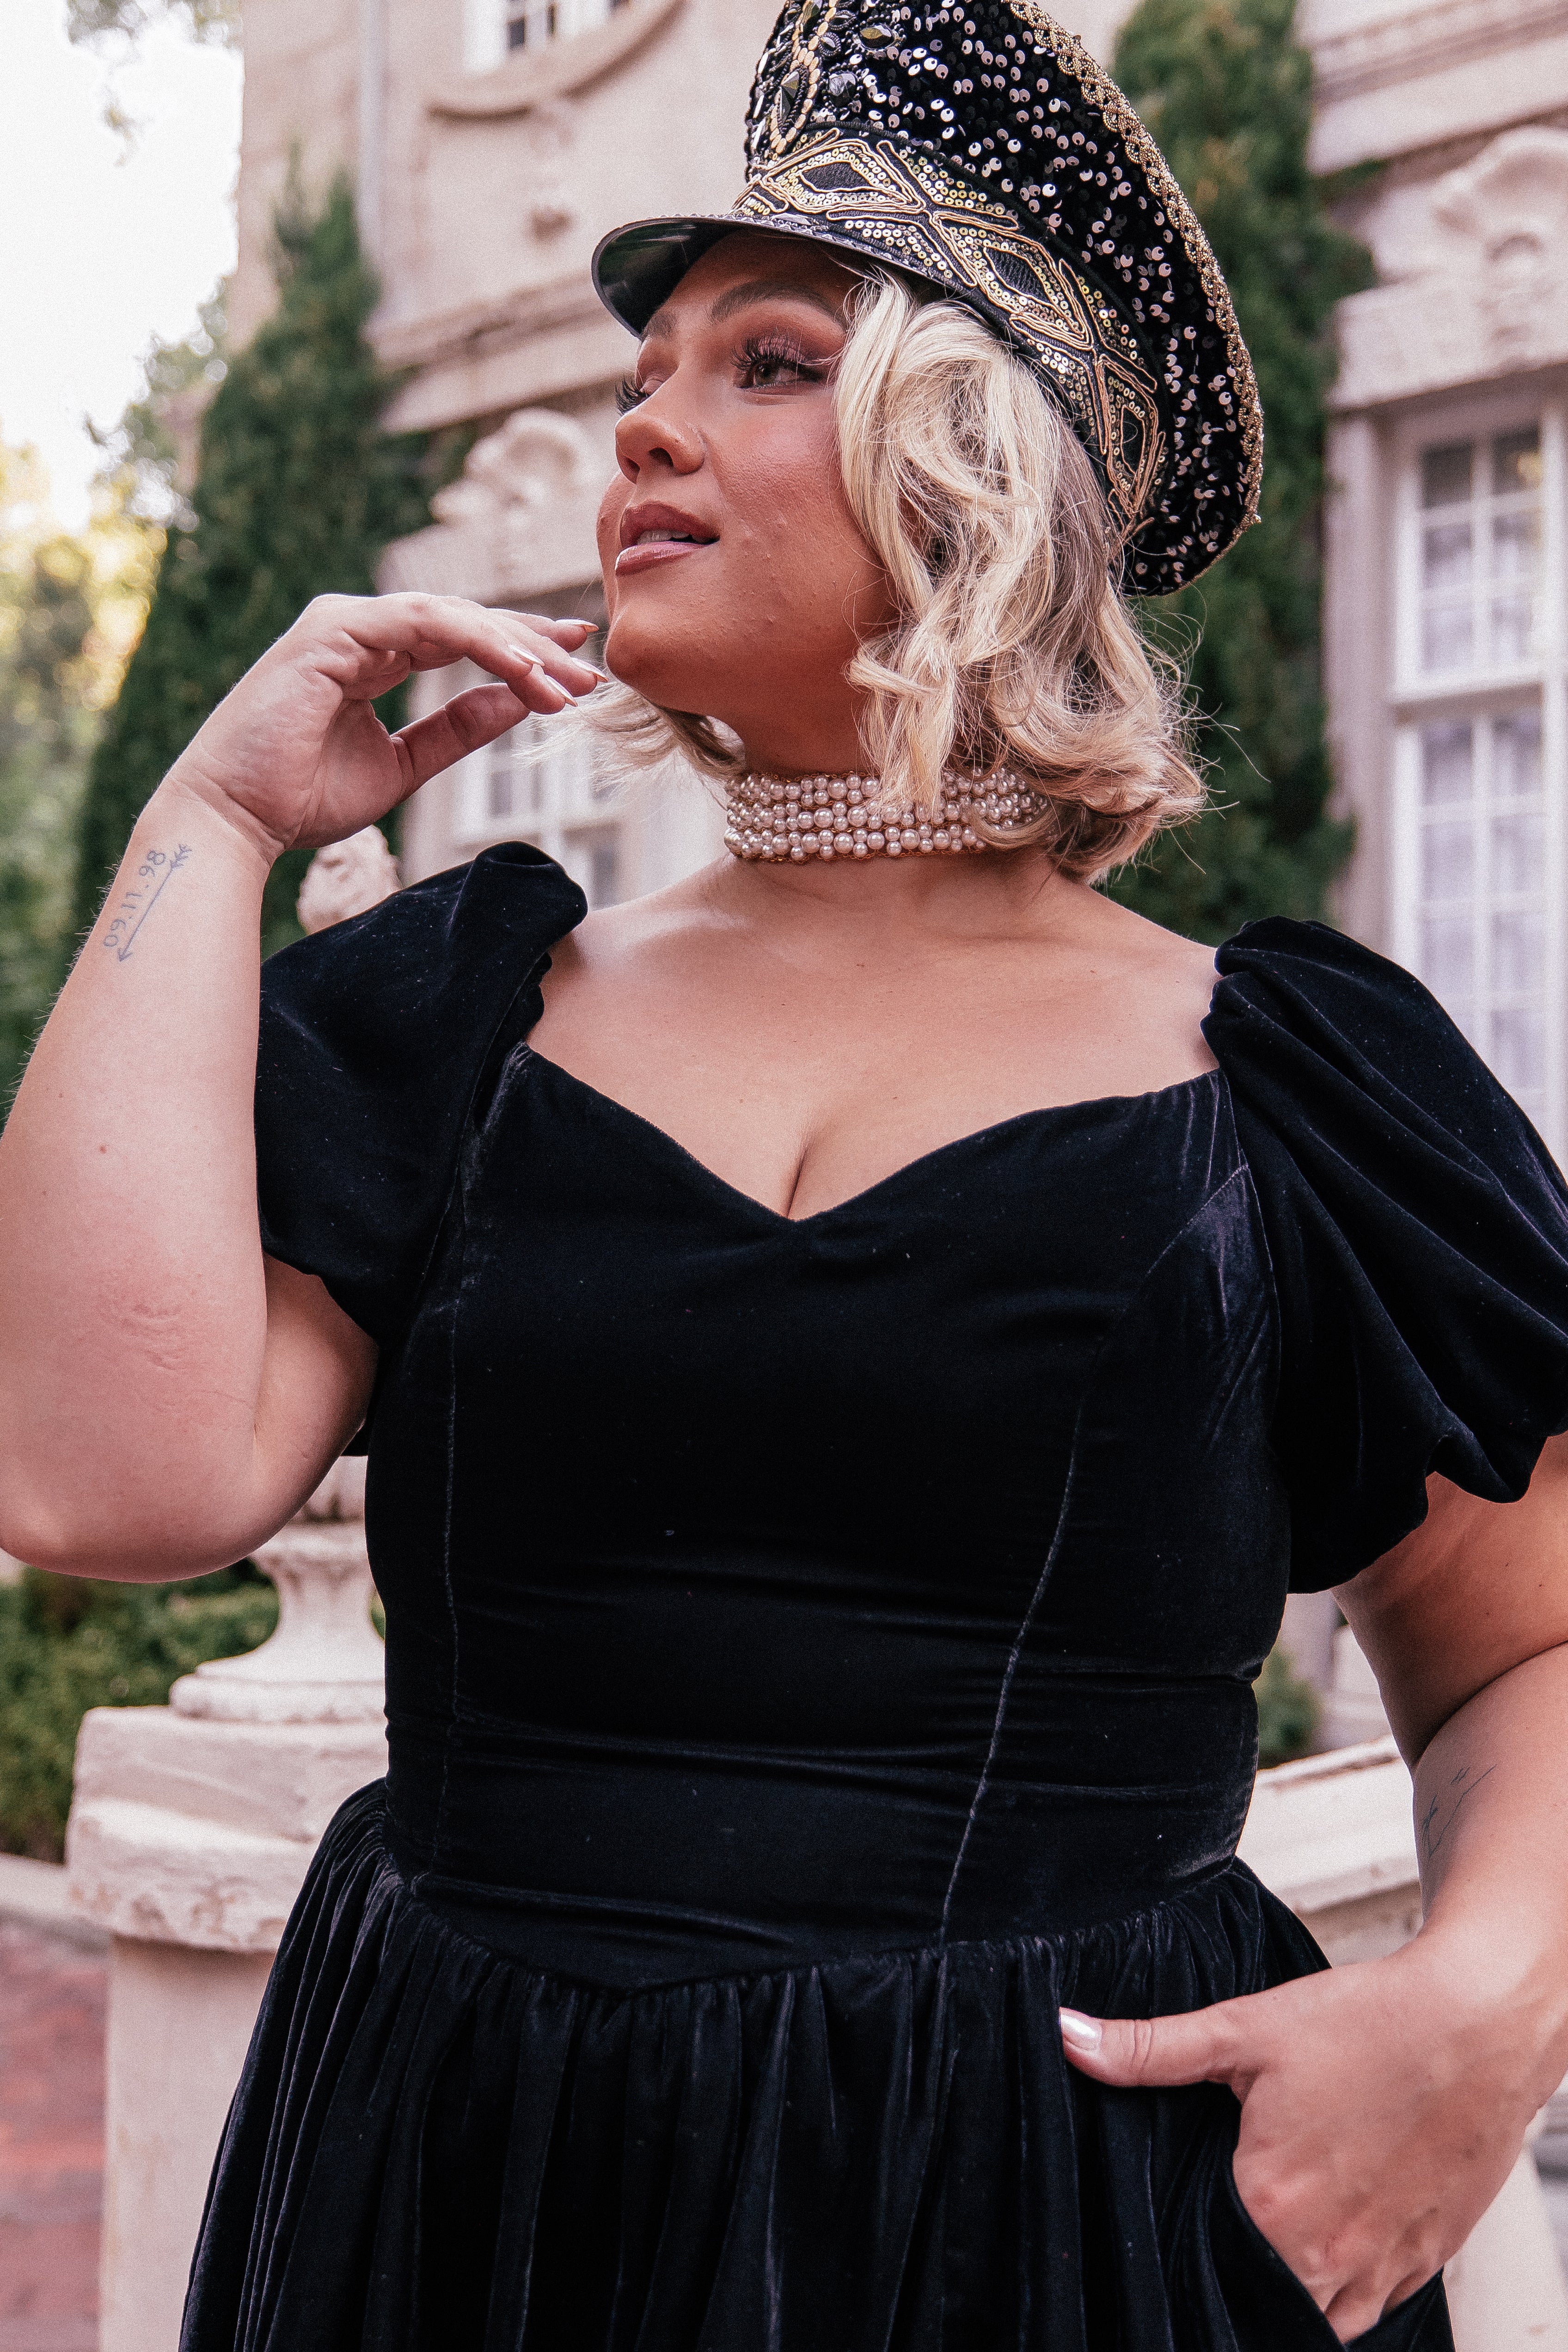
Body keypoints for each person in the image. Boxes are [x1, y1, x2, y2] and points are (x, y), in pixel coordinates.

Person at [3, 4, 1567, 2346]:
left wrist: (1485, 2003)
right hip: (478, 2185)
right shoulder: (465, 1008)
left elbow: (1521, 1642)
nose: (642, 418)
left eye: (763, 361)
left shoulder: (1283, 1083)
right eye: (643, 370)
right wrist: (211, 821)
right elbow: (91, 1475)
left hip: (1062, 2220)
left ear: (975, 469)